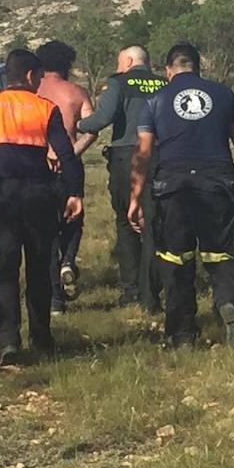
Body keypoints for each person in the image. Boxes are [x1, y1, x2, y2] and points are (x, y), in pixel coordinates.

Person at [0, 49, 84, 365]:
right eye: (39, 77)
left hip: (3, 196)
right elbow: (67, 154)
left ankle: (8, 342)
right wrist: (73, 193)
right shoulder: (45, 108)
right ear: (29, 75)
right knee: (39, 269)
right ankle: (41, 337)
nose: (40, 83)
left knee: (5, 271)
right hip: (39, 196)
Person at [128, 43, 234, 348]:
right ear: (198, 67)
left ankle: (182, 332)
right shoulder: (224, 95)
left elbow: (143, 151)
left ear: (168, 70)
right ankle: (227, 301)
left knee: (175, 259)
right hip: (218, 183)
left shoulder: (155, 99)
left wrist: (135, 196)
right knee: (222, 253)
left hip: (173, 187)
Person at [76, 45, 166, 312]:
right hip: (160, 157)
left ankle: (131, 290)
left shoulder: (119, 83)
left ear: (128, 61)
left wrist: (77, 124)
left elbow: (102, 119)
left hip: (126, 158)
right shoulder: (164, 84)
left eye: (118, 62)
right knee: (153, 224)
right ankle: (152, 293)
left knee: (127, 223)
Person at [36, 41, 97, 313]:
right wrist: (70, 154)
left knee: (46, 232)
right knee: (74, 219)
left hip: (40, 168)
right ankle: (69, 260)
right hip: (70, 166)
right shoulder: (76, 92)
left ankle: (55, 301)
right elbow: (92, 129)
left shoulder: (33, 92)